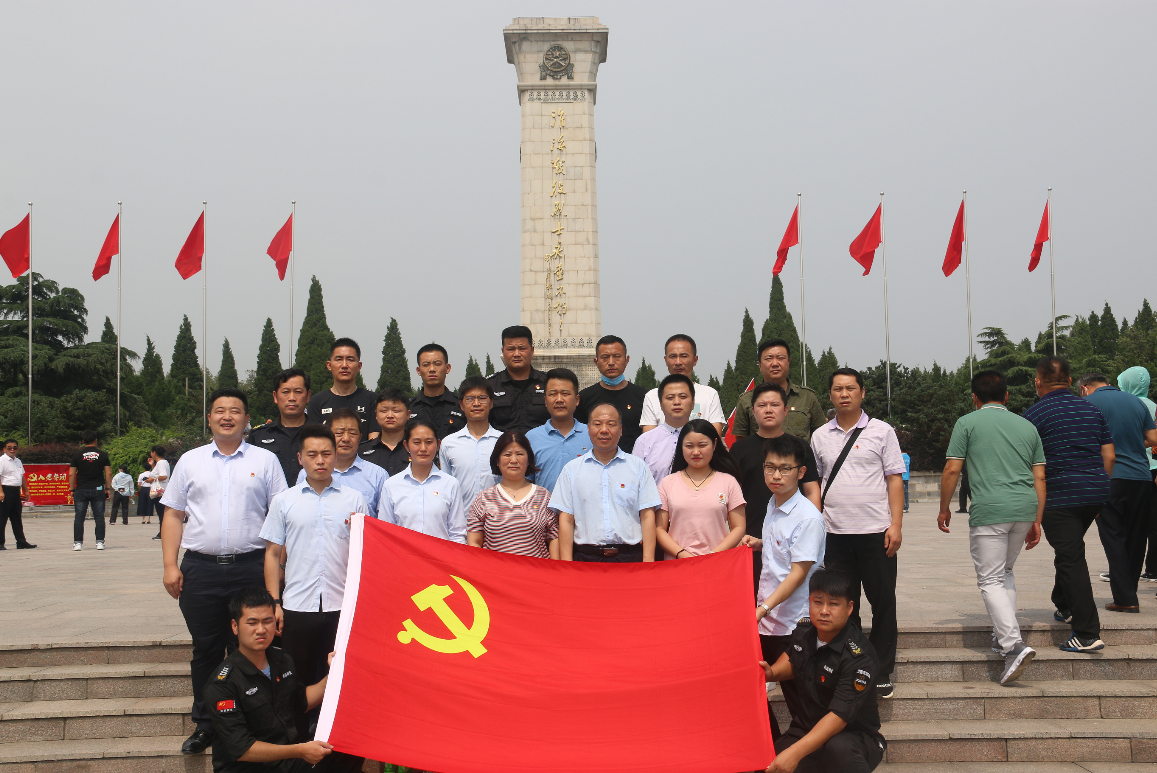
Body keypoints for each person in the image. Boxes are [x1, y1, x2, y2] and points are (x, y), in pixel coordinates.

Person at [160, 387, 289, 755]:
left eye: (235, 411)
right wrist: (170, 565)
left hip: (250, 567)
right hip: (201, 569)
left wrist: (280, 572)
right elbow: (174, 514)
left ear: (247, 419)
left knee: (252, 647)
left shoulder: (265, 460)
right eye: (220, 410)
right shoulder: (190, 461)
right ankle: (206, 724)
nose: (227, 416)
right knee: (206, 649)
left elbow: (281, 515)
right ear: (210, 418)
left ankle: (255, 721)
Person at [938, 370, 1045, 684]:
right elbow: (1039, 476)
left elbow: (952, 469)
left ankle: (1013, 645)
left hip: (991, 510)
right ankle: (1002, 637)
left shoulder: (967, 423)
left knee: (989, 579)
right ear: (1007, 396)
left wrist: (944, 508)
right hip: (1024, 507)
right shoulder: (1027, 426)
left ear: (975, 397)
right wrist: (1037, 518)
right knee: (1005, 572)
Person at [811, 368, 905, 698]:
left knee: (883, 602)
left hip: (876, 533)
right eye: (838, 389)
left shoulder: (882, 431)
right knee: (842, 604)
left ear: (862, 392)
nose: (844, 394)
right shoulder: (820, 436)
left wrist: (896, 524)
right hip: (835, 534)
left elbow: (894, 478)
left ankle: (881, 670)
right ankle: (848, 664)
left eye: (850, 388)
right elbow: (815, 484)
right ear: (830, 395)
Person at [262, 424, 367, 714]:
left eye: (326, 454)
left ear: (336, 456)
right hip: (298, 606)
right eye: (312, 454)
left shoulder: (354, 500)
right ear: (300, 458)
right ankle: (298, 738)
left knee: (341, 680)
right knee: (296, 680)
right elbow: (272, 554)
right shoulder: (284, 501)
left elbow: (365, 551)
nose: (320, 461)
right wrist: (275, 602)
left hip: (342, 606)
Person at [204, 587, 363, 773]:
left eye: (267, 621)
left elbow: (302, 701)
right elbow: (242, 749)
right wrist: (300, 750)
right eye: (252, 623)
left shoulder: (281, 659)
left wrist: (335, 673)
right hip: (248, 767)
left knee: (351, 742)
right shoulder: (223, 684)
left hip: (287, 761)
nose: (261, 630)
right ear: (235, 626)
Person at [1023, 357, 1113, 653]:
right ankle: (1063, 603)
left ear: (1038, 382)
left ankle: (1086, 633)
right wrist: (1100, 490)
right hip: (1095, 490)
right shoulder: (1091, 409)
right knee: (1070, 549)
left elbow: (1028, 463)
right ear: (1071, 380)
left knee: (1070, 557)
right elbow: (1109, 455)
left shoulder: (1034, 414)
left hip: (1059, 495)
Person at [740, 434, 826, 742]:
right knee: (752, 686)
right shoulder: (773, 503)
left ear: (801, 472)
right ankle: (773, 748)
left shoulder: (808, 517)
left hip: (794, 623)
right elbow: (783, 549)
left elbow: (798, 574)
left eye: (785, 469)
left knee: (801, 700)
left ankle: (813, 754)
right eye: (770, 467)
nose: (776, 475)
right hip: (769, 620)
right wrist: (761, 543)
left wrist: (762, 609)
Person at [759, 569, 885, 773]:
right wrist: (771, 673)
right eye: (818, 602)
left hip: (854, 737)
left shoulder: (859, 657)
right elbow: (793, 657)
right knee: (770, 763)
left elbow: (838, 717)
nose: (824, 611)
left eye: (833, 604)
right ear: (809, 602)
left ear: (849, 608)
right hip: (806, 729)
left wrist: (795, 753)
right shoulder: (805, 631)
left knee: (838, 749)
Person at [731, 382, 822, 589]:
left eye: (775, 404)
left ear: (785, 409)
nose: (768, 410)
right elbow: (733, 496)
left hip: (792, 533)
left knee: (792, 588)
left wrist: (813, 528)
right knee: (753, 592)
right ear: (753, 411)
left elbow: (811, 490)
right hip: (750, 537)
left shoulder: (800, 447)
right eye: (762, 405)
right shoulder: (739, 449)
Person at [1081, 372, 1157, 612]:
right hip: (1141, 477)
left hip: (1110, 477)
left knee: (1113, 537)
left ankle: (1125, 598)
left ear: (1084, 387)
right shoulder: (1135, 401)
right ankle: (1128, 593)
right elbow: (1153, 437)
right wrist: (1132, 444)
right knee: (1137, 537)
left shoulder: (1088, 403)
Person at [551, 403, 661, 562]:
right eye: (597, 424)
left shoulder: (638, 467)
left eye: (611, 424)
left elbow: (647, 516)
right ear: (588, 429)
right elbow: (566, 520)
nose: (604, 430)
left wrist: (648, 562)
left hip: (629, 558)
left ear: (620, 430)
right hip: (585, 558)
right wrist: (567, 565)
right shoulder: (571, 470)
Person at [656, 419, 746, 561]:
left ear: (714, 444)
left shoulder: (729, 482)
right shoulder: (667, 483)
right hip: (677, 564)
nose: (696, 452)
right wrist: (682, 555)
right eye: (689, 446)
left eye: (702, 445)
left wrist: (712, 555)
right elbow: (659, 528)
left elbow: (739, 527)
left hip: (717, 562)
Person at [467, 431, 559, 559]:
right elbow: (474, 542)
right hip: (494, 570)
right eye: (507, 454)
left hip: (536, 570)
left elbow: (554, 539)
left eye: (520, 454)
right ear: (497, 461)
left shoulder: (543, 496)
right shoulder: (484, 499)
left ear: (529, 460)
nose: (514, 460)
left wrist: (555, 568)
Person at [377, 419, 467, 543]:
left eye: (429, 442)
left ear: (438, 445)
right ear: (406, 445)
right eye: (416, 442)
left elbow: (457, 533)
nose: (423, 448)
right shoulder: (391, 485)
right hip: (403, 554)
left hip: (440, 554)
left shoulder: (450, 484)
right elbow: (386, 532)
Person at [732, 338, 826, 443]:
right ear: (760, 365)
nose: (775, 363)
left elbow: (821, 436)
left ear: (788, 362)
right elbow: (741, 443)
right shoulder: (746, 400)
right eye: (769, 359)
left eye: (780, 358)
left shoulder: (807, 397)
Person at [294, 408, 386, 515]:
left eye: (352, 433)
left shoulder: (377, 475)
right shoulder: (307, 473)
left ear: (360, 437)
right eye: (339, 433)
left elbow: (384, 520)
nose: (346, 439)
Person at [639, 334, 725, 436]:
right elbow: (649, 439)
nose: (678, 362)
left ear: (695, 360)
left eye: (684, 356)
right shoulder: (652, 396)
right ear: (666, 360)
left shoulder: (709, 394)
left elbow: (715, 436)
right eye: (673, 356)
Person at [439, 376, 502, 511]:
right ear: (461, 405)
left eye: (482, 398)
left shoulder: (503, 441)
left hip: (497, 519)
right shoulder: (448, 444)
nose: (476, 403)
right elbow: (445, 487)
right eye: (470, 399)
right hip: (460, 519)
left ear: (491, 403)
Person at [574, 335, 647, 452]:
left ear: (627, 360)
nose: (611, 362)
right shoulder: (584, 398)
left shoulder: (643, 397)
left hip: (634, 461)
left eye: (617, 357)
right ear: (596, 362)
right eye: (605, 357)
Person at [1119, 367, 1157, 583]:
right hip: (1152, 468)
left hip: (1133, 469)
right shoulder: (1154, 406)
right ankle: (1152, 569)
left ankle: (1123, 568)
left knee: (1126, 524)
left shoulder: (1126, 405)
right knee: (1152, 523)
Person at [526, 368, 591, 492]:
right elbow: (525, 482)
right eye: (553, 394)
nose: (559, 399)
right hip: (545, 504)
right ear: (545, 401)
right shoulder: (531, 438)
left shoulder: (591, 435)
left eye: (565, 394)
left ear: (577, 400)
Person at [248, 368, 312, 487]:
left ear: (308, 395)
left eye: (298, 392)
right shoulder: (258, 436)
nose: (292, 398)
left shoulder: (322, 433)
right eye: (285, 392)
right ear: (275, 396)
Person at [306, 338, 378, 436]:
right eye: (339, 359)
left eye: (350, 360)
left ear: (359, 366)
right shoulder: (317, 402)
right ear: (329, 365)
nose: (344, 365)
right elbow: (315, 440)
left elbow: (374, 439)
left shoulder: (372, 400)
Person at [632, 374, 694, 486]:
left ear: (693, 403)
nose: (677, 402)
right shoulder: (644, 441)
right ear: (660, 405)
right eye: (670, 398)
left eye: (683, 397)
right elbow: (634, 483)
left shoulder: (703, 439)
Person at [487, 325, 549, 434]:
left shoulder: (548, 383)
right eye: (511, 349)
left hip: (541, 444)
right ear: (503, 351)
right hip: (502, 444)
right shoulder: (490, 385)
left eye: (522, 348)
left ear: (532, 351)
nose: (516, 354)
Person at [409, 343, 463, 440]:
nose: (432, 369)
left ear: (447, 368)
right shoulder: (409, 408)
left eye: (437, 364)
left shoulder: (461, 406)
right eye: (426, 365)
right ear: (418, 370)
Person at [70, 430, 112, 551]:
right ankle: (100, 542)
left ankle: (78, 543)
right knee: (99, 517)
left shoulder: (77, 455)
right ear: (96, 441)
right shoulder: (103, 455)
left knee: (79, 517)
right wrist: (107, 488)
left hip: (81, 489)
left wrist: (72, 489)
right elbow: (108, 473)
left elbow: (71, 474)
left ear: (83, 441)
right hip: (98, 489)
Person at [358, 388, 412, 477]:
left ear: (408, 414)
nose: (390, 415)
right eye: (384, 411)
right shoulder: (361, 451)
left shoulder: (417, 448)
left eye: (396, 411)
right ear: (376, 414)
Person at [0, 439, 34, 549]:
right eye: (9, 448)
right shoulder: (2, 460)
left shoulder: (18, 461)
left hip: (15, 491)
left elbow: (21, 476)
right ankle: (0, 543)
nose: (12, 450)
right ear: (4, 449)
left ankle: (21, 541)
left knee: (16, 517)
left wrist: (26, 490)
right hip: (5, 490)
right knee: (2, 518)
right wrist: (0, 492)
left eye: (14, 447)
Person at [147, 446, 170, 539]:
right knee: (162, 513)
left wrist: (152, 479)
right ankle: (163, 532)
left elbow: (164, 476)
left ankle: (163, 533)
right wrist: (152, 465)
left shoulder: (161, 463)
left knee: (161, 513)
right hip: (163, 490)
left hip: (160, 491)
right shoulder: (163, 462)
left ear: (154, 452)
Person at [136, 457, 154, 524]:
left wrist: (141, 487)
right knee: (150, 503)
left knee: (142, 503)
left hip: (143, 489)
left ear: (144, 468)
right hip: (150, 489)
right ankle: (148, 518)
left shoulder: (141, 475)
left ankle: (143, 519)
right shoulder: (152, 474)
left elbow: (138, 484)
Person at [900, 448, 911, 513]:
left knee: (900, 493)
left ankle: (902, 506)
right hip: (906, 476)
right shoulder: (908, 457)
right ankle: (906, 506)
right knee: (906, 492)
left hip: (901, 477)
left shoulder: (900, 456)